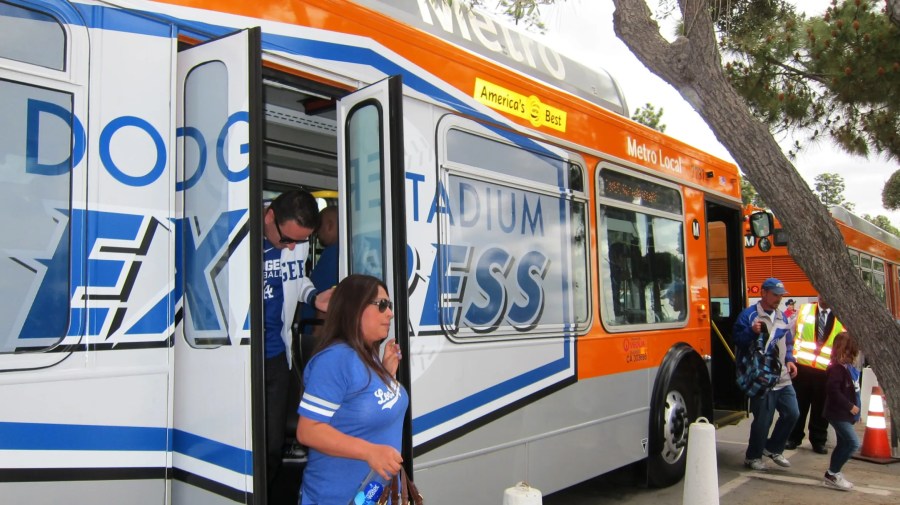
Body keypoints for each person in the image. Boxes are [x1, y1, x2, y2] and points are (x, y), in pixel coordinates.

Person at [296, 274, 407, 504]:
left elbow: (364, 403)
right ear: (354, 309)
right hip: (337, 497)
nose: (390, 313)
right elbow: (308, 430)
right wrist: (371, 452)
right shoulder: (335, 359)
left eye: (390, 305)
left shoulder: (368, 355)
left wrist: (387, 374)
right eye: (382, 305)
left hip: (372, 494)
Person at [263, 190, 334, 490]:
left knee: (272, 444)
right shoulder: (240, 240)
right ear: (269, 218)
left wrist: (314, 297)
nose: (293, 246)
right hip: (240, 357)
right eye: (287, 239)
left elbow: (298, 277)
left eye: (300, 241)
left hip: (276, 355)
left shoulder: (297, 242)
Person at [733, 277, 799, 471]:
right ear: (763, 293)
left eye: (781, 295)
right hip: (761, 375)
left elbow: (788, 342)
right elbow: (738, 340)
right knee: (763, 419)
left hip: (782, 375)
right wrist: (751, 332)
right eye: (775, 294)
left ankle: (773, 447)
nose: (779, 298)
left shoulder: (782, 316)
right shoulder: (749, 315)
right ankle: (752, 456)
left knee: (792, 413)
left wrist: (790, 360)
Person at [787, 297, 842, 454]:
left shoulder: (841, 316)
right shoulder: (804, 311)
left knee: (820, 407)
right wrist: (789, 359)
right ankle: (794, 437)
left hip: (825, 370)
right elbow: (790, 334)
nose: (824, 297)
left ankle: (818, 440)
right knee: (799, 405)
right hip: (802, 368)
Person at [822, 331, 861, 491]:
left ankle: (833, 473)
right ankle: (832, 472)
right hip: (838, 414)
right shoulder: (837, 369)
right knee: (853, 443)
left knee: (844, 443)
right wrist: (849, 406)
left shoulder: (848, 368)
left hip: (844, 414)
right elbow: (833, 391)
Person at [299, 205, 339, 336]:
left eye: (318, 228)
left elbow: (326, 299)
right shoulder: (346, 252)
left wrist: (315, 341)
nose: (316, 234)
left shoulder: (332, 255)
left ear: (329, 226)